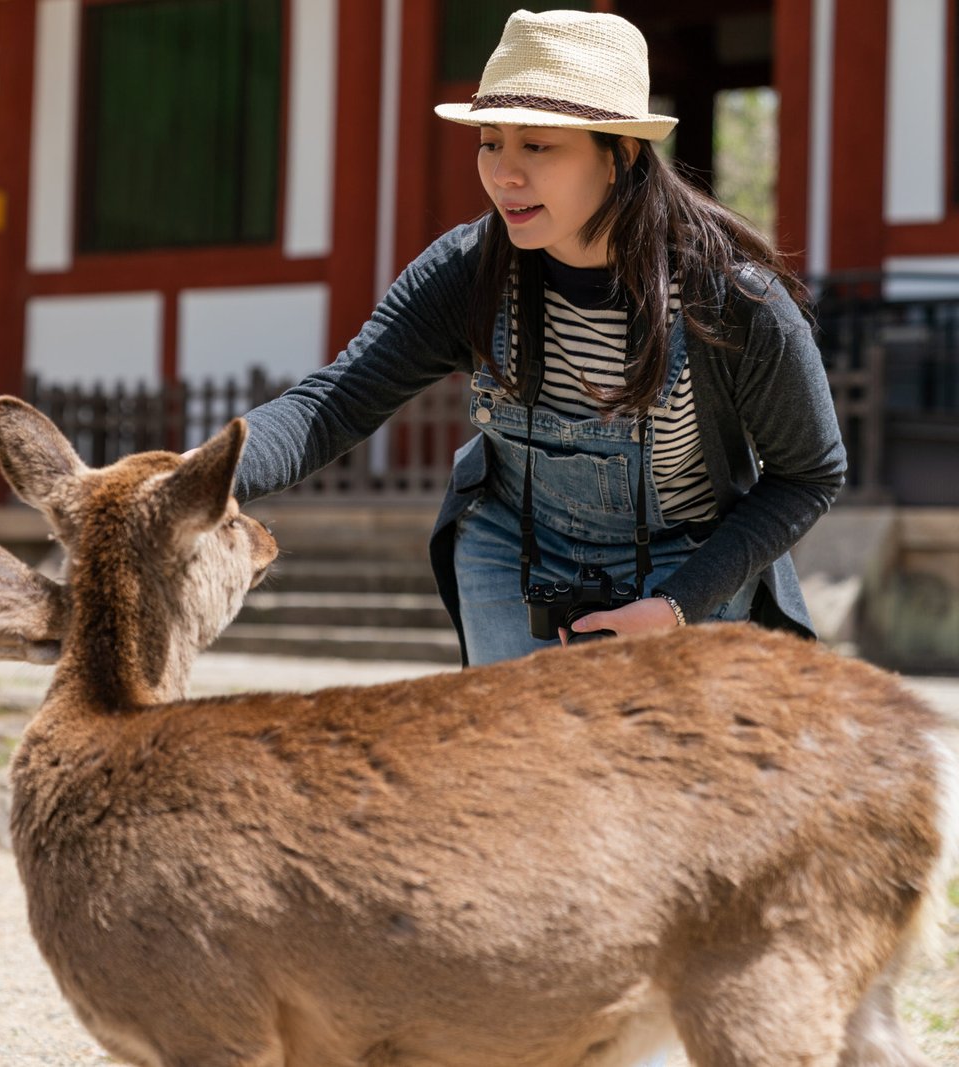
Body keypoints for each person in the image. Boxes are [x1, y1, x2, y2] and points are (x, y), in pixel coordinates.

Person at [233, 8, 846, 667]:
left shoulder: (734, 305)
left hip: (687, 574)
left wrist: (674, 605)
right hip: (513, 563)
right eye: (491, 142)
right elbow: (333, 405)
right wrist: (195, 477)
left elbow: (810, 474)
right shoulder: (466, 274)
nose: (504, 174)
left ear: (621, 154)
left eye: (538, 145)